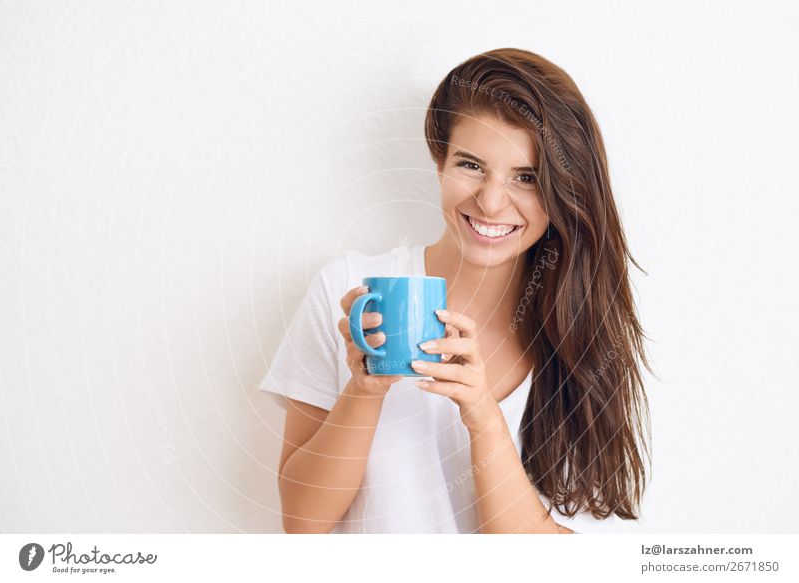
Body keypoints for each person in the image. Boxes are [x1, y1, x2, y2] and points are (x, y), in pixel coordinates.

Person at [259, 47, 651, 534]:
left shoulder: (578, 330)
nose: (490, 202)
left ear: (563, 191)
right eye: (471, 165)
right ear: (439, 159)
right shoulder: (347, 291)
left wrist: (485, 418)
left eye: (526, 177)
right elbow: (301, 522)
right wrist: (364, 389)